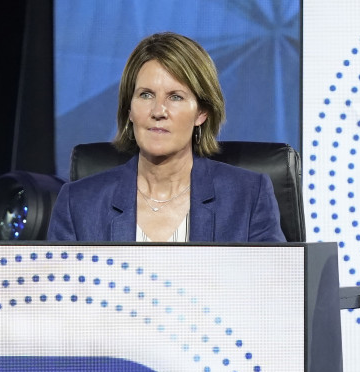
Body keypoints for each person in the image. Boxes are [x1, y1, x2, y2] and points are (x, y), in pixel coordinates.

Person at [47, 32, 285, 243]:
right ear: (129, 109)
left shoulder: (248, 197)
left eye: (175, 97)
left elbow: (273, 289)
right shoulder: (77, 203)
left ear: (201, 113)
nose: (158, 111)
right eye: (146, 95)